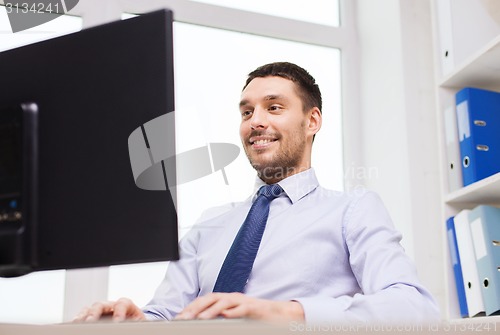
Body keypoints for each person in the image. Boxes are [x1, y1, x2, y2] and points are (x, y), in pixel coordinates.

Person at [75, 62, 439, 324]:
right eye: (247, 111)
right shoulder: (210, 223)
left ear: (312, 122)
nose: (256, 122)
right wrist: (134, 319)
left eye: (274, 107)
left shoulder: (352, 210)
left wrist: (281, 311)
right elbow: (167, 314)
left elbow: (414, 308)